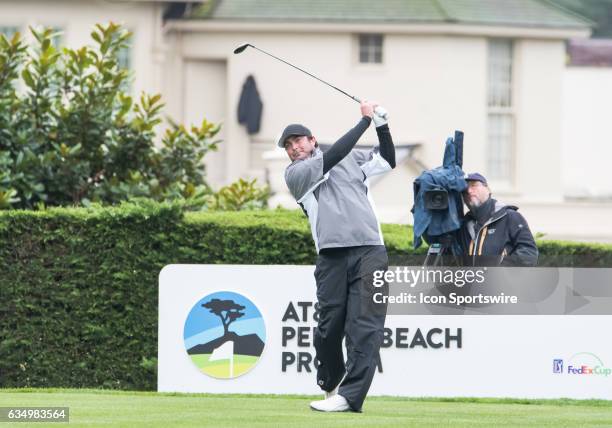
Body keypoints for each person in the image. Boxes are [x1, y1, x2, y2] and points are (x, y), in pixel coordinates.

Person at [281, 101, 395, 412]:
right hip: (331, 256)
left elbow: (387, 160)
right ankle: (330, 382)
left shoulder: (351, 159)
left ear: (312, 140)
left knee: (365, 327)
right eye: (288, 146)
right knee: (328, 327)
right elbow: (333, 156)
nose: (293, 148)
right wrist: (365, 123)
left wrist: (383, 127)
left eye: (298, 141)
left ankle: (350, 397)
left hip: (370, 249)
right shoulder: (296, 173)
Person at [458, 173, 538, 266]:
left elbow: (529, 253)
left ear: (488, 189)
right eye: (464, 189)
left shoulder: (510, 216)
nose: (469, 190)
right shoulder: (463, 224)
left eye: (473, 185)